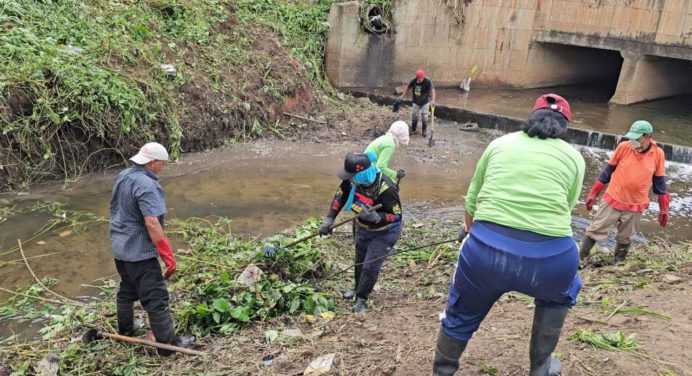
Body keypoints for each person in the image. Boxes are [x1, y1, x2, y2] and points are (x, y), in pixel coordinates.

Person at [433, 94, 585, 376]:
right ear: (564, 125)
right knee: (562, 293)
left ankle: (442, 371)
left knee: (460, 315)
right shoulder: (575, 157)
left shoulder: (499, 144)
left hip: (486, 255)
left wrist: (471, 233)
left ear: (531, 117)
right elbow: (566, 206)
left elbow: (472, 202)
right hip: (551, 260)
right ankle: (540, 367)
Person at [109, 142, 194, 355]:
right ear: (153, 163)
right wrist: (168, 256)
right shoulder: (147, 185)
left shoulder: (123, 176)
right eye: (162, 165)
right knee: (156, 297)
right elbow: (152, 223)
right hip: (139, 253)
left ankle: (126, 332)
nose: (162, 168)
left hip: (120, 249)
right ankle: (168, 346)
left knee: (127, 291)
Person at [318, 152, 403, 313]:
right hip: (362, 227)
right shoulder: (351, 181)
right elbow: (340, 196)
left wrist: (376, 217)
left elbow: (397, 215)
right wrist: (330, 219)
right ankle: (357, 289)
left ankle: (362, 299)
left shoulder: (386, 188)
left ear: (362, 174)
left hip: (384, 232)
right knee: (359, 260)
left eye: (351, 177)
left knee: (370, 266)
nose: (348, 180)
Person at [580, 120, 669, 264]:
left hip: (636, 204)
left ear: (648, 136)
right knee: (595, 230)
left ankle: (618, 264)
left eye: (637, 138)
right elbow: (606, 173)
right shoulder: (623, 147)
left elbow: (660, 185)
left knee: (626, 237)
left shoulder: (657, 154)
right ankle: (580, 259)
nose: (633, 141)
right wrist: (592, 194)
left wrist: (664, 210)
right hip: (613, 199)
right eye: (632, 137)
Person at [399, 69, 436, 137]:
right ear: (416, 77)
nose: (420, 79)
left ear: (423, 77)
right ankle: (413, 129)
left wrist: (433, 100)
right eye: (418, 78)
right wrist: (402, 96)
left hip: (425, 101)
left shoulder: (428, 82)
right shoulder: (413, 81)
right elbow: (407, 88)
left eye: (421, 78)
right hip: (416, 101)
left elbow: (433, 91)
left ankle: (424, 131)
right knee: (414, 115)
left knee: (424, 116)